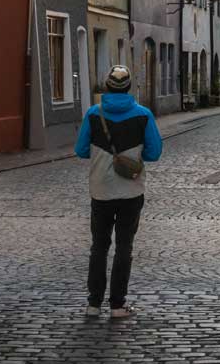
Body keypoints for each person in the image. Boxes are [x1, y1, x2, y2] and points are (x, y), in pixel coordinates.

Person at [75, 64, 163, 319]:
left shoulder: (93, 114)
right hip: (131, 191)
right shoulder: (143, 115)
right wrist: (132, 154)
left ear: (107, 87)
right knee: (125, 246)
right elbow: (154, 152)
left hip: (100, 190)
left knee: (99, 247)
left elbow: (81, 150)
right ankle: (117, 305)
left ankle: (93, 303)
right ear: (129, 88)